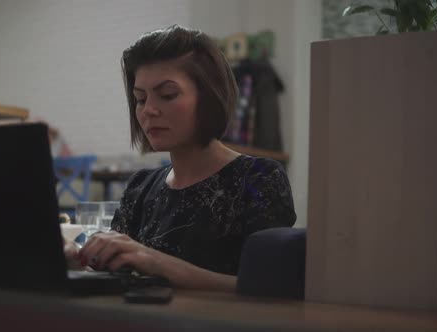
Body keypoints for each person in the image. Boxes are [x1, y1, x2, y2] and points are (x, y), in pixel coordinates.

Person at [66, 25, 296, 291]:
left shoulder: (258, 178)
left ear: (208, 96)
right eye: (140, 99)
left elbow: (269, 290)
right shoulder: (140, 188)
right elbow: (117, 280)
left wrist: (156, 262)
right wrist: (74, 264)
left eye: (167, 95)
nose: (149, 110)